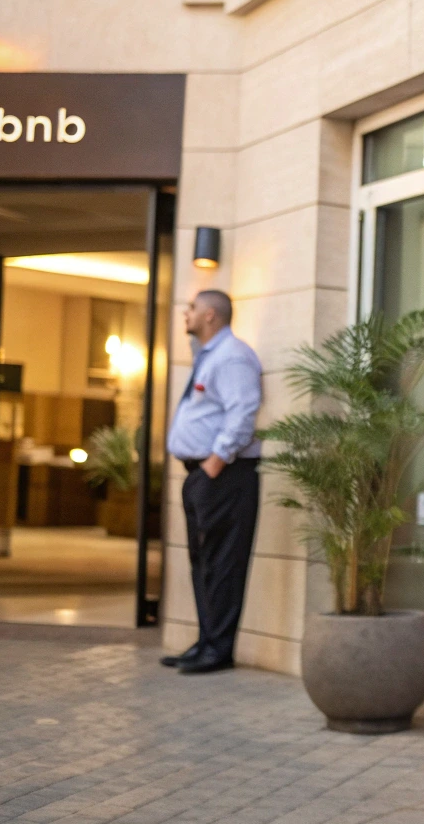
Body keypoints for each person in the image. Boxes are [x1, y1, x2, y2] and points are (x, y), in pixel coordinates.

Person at [161, 289, 263, 675]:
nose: (184, 314)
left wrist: (215, 464)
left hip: (224, 476)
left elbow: (243, 412)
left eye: (191, 308)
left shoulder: (233, 356)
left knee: (222, 564)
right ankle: (206, 641)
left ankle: (218, 650)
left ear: (210, 316)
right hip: (202, 476)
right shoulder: (209, 356)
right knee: (203, 563)